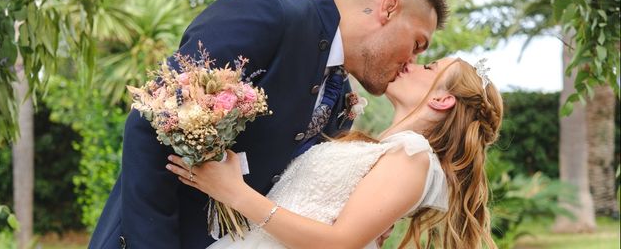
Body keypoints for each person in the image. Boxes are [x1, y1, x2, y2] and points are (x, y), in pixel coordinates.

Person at [89, 0, 448, 249]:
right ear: (388, 8)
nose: (411, 63)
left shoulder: (340, 101)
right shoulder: (271, 14)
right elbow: (153, 122)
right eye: (417, 44)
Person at [167, 57, 503, 249]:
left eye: (429, 67)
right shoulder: (387, 150)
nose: (412, 63)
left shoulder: (414, 155)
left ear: (442, 100)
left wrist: (234, 192)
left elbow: (340, 243)